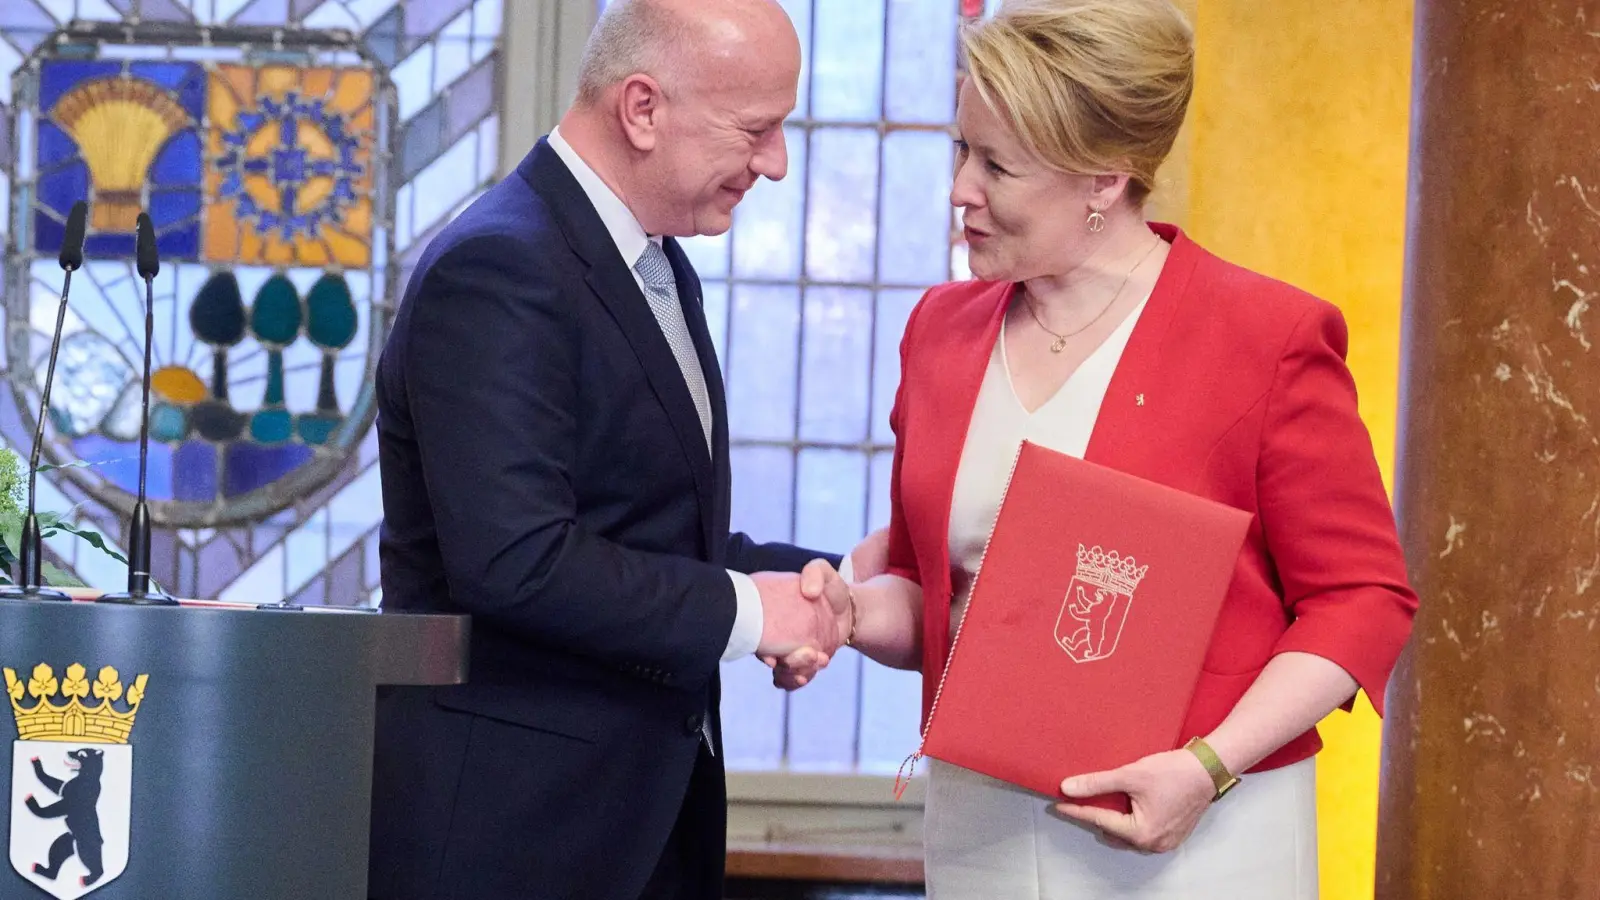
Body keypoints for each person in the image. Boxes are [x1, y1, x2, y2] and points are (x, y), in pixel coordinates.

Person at [769, 1, 1418, 896]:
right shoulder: (938, 331)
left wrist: (1206, 767)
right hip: (978, 832)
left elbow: (1361, 598)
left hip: (1199, 841)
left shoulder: (1265, 337)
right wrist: (844, 613)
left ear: (1104, 182)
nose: (960, 188)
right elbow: (936, 592)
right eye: (961, 149)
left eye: (996, 164)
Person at [367, 2, 881, 898]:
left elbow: (639, 533)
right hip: (510, 837)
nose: (776, 162)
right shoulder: (497, 269)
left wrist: (828, 581)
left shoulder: (653, 258)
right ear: (642, 109)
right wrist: (754, 616)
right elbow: (518, 560)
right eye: (756, 130)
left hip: (633, 826)